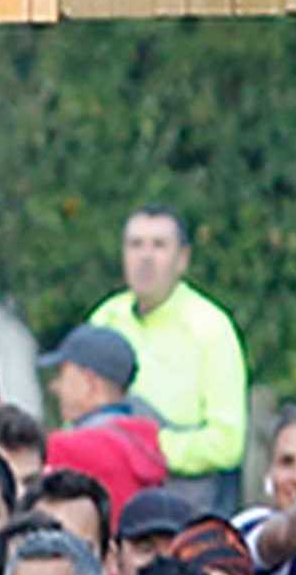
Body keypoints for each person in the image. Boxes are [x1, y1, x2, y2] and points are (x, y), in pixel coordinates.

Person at [84, 206, 251, 492]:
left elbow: (227, 443)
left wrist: (145, 447)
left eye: (159, 245)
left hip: (183, 496)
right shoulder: (105, 319)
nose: (145, 257)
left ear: (182, 259)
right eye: (135, 245)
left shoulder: (211, 327)